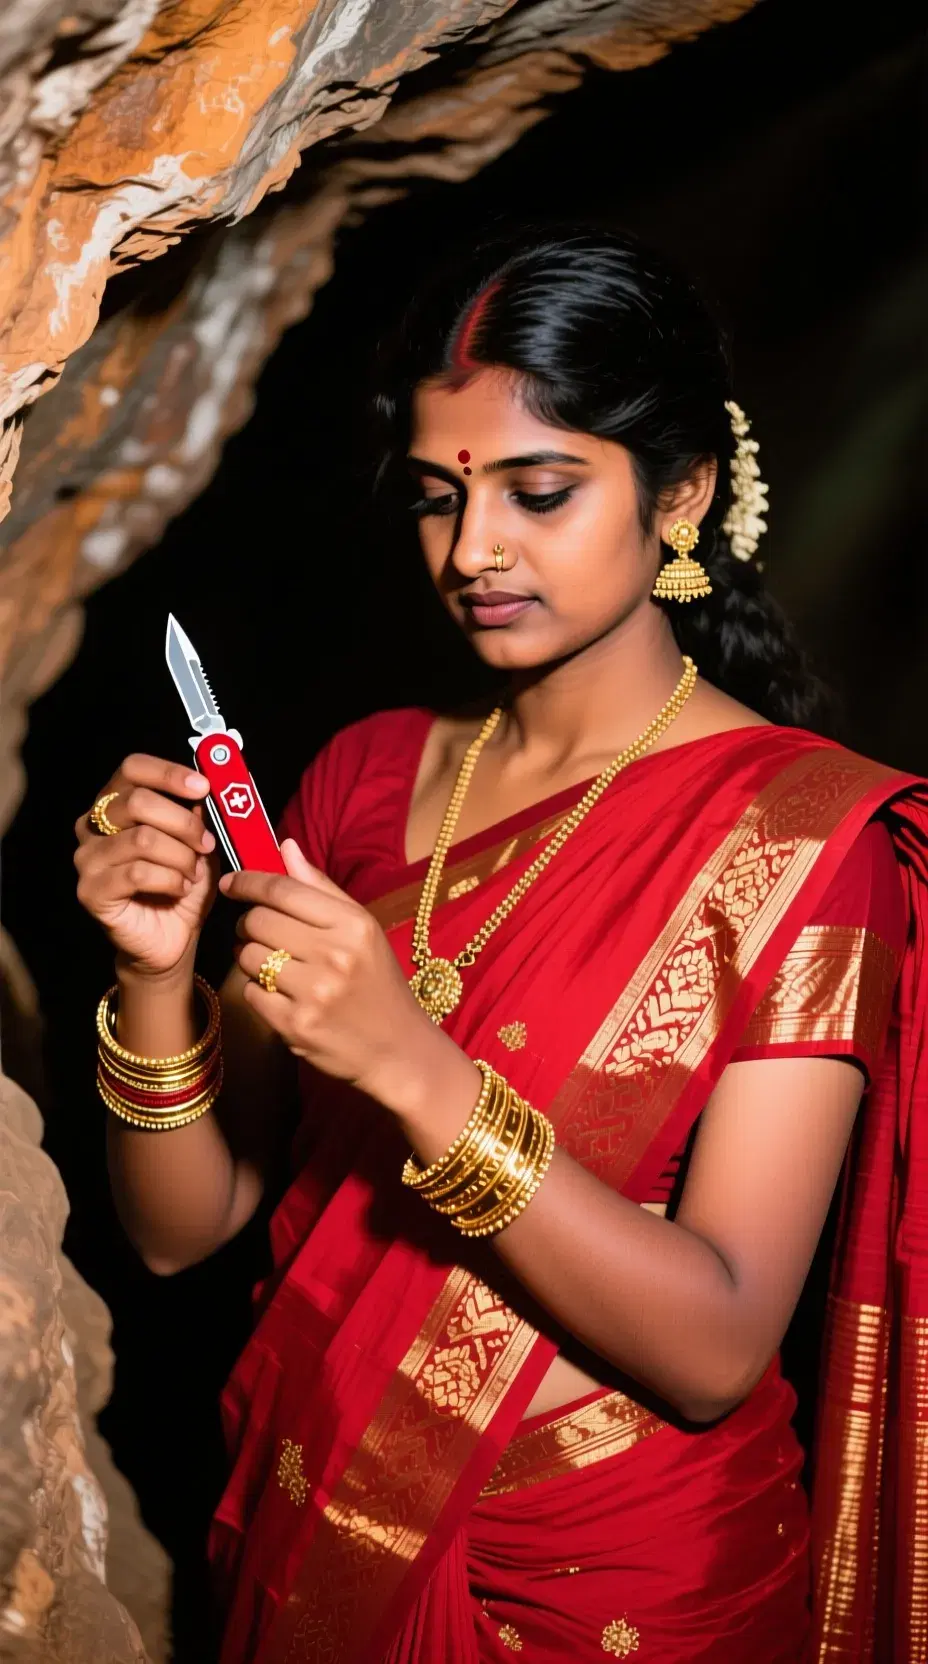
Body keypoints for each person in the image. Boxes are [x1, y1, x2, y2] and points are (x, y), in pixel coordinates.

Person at [74, 228, 928, 1664]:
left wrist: (421, 1071)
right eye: (436, 498)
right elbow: (184, 1231)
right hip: (317, 1511)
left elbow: (718, 1346)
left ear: (686, 495)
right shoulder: (361, 777)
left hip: (628, 1587)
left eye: (540, 491)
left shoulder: (804, 841)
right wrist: (153, 978)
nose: (473, 551)